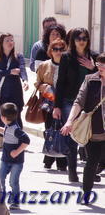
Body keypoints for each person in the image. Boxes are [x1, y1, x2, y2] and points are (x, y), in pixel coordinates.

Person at [53, 28, 98, 182]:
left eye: (84, 38)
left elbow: (102, 76)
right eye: (78, 38)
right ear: (72, 40)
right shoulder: (66, 57)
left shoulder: (94, 57)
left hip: (91, 103)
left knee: (91, 137)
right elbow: (60, 83)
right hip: (69, 101)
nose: (81, 41)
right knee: (72, 136)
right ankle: (72, 171)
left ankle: (91, 172)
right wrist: (56, 106)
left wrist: (93, 68)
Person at [61, 52, 105, 203]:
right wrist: (69, 121)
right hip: (95, 131)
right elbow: (78, 102)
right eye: (99, 65)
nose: (100, 68)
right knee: (91, 163)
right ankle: (86, 194)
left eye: (103, 65)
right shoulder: (90, 80)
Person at [0, 103, 30, 210]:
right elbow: (5, 131)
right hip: (5, 160)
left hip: (16, 162)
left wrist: (17, 151)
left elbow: (27, 141)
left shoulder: (16, 129)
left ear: (3, 118)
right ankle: (0, 199)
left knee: (13, 182)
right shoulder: (9, 126)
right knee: (0, 179)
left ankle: (15, 202)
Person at [0, 33, 29, 148]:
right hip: (1, 91)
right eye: (7, 40)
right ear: (1, 43)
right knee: (1, 116)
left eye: (12, 40)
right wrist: (9, 72)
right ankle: (1, 139)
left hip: (15, 90)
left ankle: (20, 139)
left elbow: (22, 69)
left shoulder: (18, 56)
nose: (10, 42)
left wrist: (25, 80)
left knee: (17, 115)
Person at [35, 38, 68, 171]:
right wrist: (44, 87)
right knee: (49, 130)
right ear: (51, 51)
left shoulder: (69, 65)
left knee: (63, 131)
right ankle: (48, 159)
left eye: (61, 49)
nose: (58, 52)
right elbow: (37, 83)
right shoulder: (44, 65)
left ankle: (62, 162)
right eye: (55, 49)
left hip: (64, 103)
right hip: (49, 104)